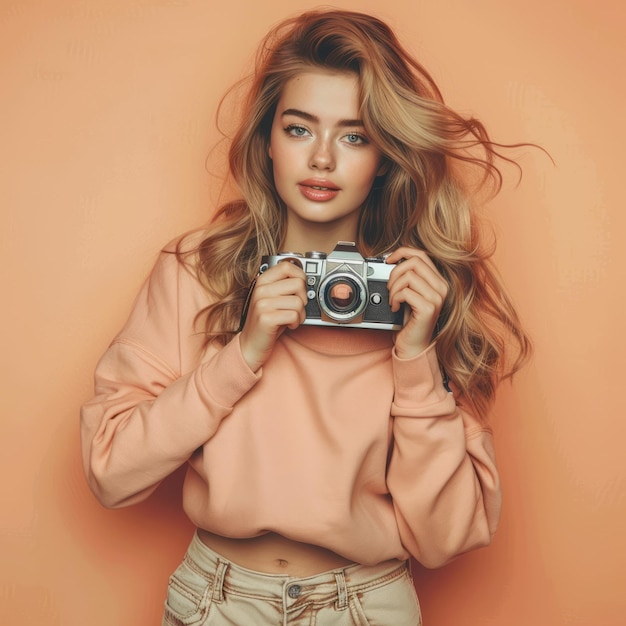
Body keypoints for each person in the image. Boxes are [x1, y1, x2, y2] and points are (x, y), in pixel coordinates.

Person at [81, 8, 531, 625]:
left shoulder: (416, 295)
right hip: (218, 602)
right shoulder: (200, 272)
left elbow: (446, 539)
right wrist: (243, 351)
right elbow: (111, 472)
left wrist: (416, 358)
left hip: (366, 607)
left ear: (384, 156)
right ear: (267, 140)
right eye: (299, 129)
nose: (322, 159)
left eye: (353, 136)